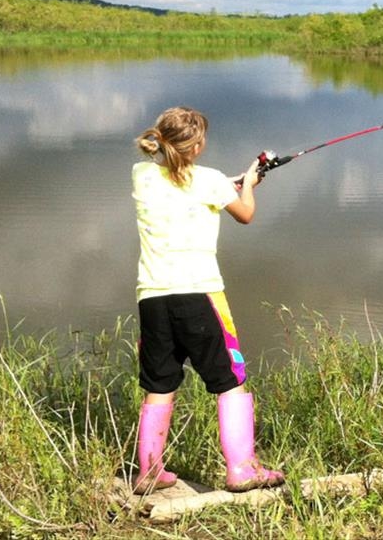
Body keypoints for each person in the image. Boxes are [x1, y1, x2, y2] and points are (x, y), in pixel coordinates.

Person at [130, 106, 284, 495]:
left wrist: (230, 183)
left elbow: (185, 185)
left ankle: (148, 472)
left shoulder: (143, 176)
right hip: (199, 295)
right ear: (197, 145)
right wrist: (247, 185)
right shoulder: (211, 181)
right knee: (229, 380)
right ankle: (242, 469)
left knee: (160, 382)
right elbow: (244, 213)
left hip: (153, 299)